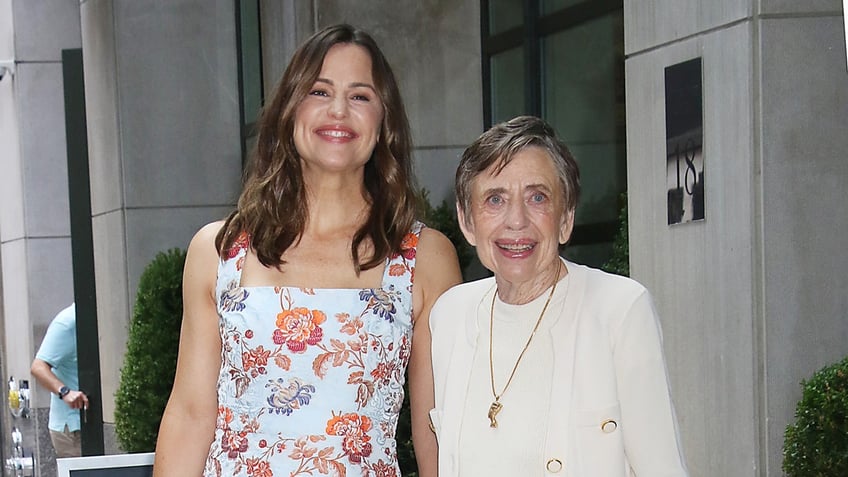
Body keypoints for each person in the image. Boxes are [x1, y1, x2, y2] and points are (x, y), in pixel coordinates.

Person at [153, 24, 461, 477]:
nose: (338, 110)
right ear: (289, 109)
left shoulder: (424, 258)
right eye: (319, 91)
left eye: (360, 96)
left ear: (384, 120)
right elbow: (190, 415)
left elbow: (438, 428)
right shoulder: (220, 251)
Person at [429, 116, 688, 476]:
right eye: (494, 199)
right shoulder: (450, 316)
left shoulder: (619, 310)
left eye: (537, 197)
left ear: (565, 218)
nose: (516, 220)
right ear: (467, 221)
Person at [30, 302, 90, 458]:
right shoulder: (67, 323)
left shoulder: (94, 317)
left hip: (89, 422)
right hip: (72, 427)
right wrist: (65, 392)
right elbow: (38, 367)